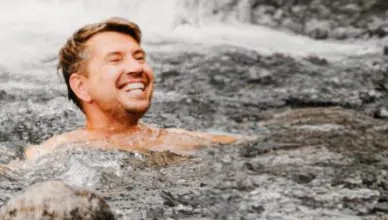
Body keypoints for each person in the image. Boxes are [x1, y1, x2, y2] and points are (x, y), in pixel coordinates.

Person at [23, 16, 236, 158]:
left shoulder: (181, 141)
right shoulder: (52, 153)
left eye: (139, 57)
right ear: (81, 87)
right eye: (115, 60)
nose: (136, 67)